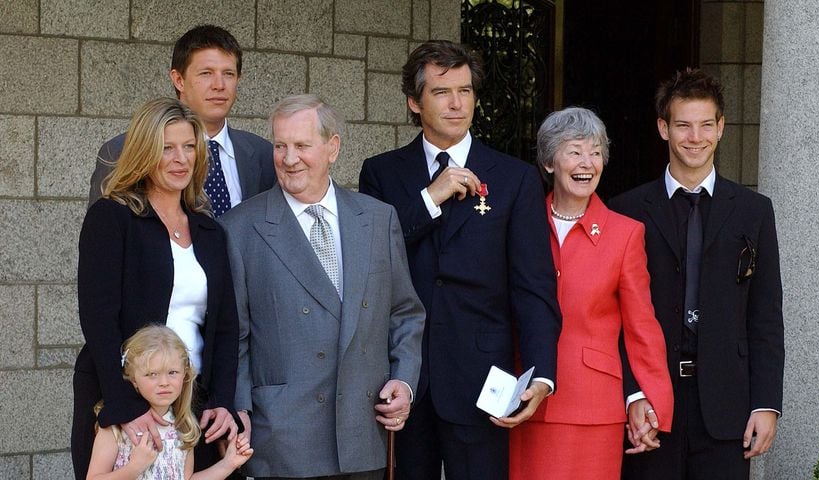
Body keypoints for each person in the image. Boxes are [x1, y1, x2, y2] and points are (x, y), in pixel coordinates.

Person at [359, 40, 561, 480]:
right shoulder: (382, 172)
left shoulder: (515, 178)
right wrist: (429, 199)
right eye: (441, 92)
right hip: (400, 376)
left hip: (483, 376)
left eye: (465, 91)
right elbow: (371, 259)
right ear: (415, 102)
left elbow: (534, 286)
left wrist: (542, 374)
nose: (457, 104)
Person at [219, 94, 425, 479]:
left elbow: (404, 313)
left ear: (333, 148)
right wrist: (239, 407)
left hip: (364, 433)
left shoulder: (378, 219)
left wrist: (404, 380)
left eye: (302, 145)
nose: (289, 158)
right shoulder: (240, 228)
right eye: (280, 146)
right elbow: (235, 336)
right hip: (282, 439)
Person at [610, 68, 784, 479]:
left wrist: (766, 403)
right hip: (650, 405)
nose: (695, 137)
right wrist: (632, 394)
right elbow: (614, 316)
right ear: (663, 128)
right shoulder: (626, 210)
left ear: (721, 128)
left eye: (706, 125)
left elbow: (765, 316)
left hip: (727, 405)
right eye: (683, 125)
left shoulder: (754, 210)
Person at [73, 98, 242, 479]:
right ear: (144, 152)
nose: (181, 159)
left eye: (189, 146)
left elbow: (226, 327)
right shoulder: (112, 217)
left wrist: (221, 401)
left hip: (192, 406)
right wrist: (125, 405)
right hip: (122, 399)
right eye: (167, 148)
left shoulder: (209, 230)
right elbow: (98, 319)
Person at [507, 107, 674, 479]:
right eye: (575, 151)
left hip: (594, 408)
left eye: (596, 152)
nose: (587, 163)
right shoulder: (519, 222)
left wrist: (651, 398)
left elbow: (642, 327)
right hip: (526, 401)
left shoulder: (625, 233)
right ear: (549, 162)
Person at [88, 25, 275, 215]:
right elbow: (102, 227)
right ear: (179, 80)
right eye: (206, 73)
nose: (219, 85)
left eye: (228, 74)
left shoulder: (264, 154)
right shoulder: (121, 151)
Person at [86, 325, 253, 479]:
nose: (164, 382)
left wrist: (228, 464)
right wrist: (134, 468)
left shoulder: (184, 427)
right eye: (152, 374)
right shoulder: (116, 428)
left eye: (172, 372)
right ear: (133, 379)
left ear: (185, 374)